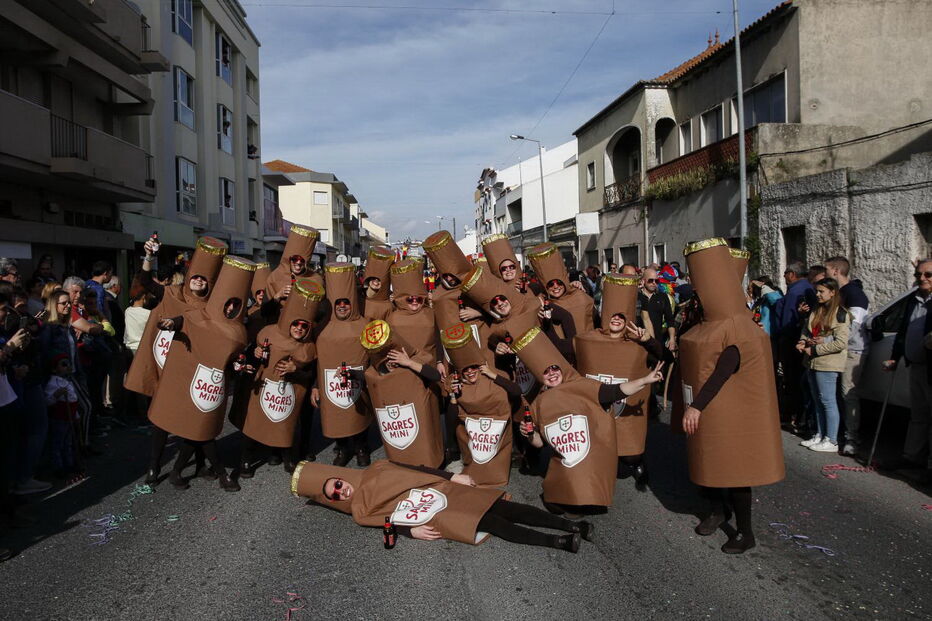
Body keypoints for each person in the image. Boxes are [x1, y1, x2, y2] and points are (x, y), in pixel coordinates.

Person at [676, 239, 785, 554]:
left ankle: (745, 532)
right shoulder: (709, 323)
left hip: (729, 411)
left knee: (736, 472)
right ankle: (716, 509)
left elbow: (724, 369)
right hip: (710, 409)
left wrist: (695, 407)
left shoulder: (738, 327)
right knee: (708, 461)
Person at [514, 325, 664, 515]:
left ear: (562, 368)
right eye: (545, 372)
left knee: (584, 499)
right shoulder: (538, 403)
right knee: (552, 502)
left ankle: (589, 496)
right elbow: (539, 443)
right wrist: (529, 434)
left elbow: (617, 391)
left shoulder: (584, 385)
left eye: (554, 368)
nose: (551, 374)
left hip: (592, 455)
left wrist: (644, 380)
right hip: (568, 459)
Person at [292, 460, 592, 552]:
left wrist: (453, 476)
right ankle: (561, 542)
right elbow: (388, 522)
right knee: (496, 525)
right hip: (434, 513)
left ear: (340, 477)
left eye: (338, 483)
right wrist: (412, 531)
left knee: (507, 508)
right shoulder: (360, 512)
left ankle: (573, 525)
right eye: (334, 494)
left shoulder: (378, 467)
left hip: (441, 490)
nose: (342, 491)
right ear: (331, 500)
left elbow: (417, 470)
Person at [146, 256, 256, 491]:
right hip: (179, 372)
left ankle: (187, 470)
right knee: (164, 420)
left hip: (204, 379)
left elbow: (233, 357)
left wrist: (238, 366)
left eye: (234, 305)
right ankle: (156, 466)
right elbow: (180, 320)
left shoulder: (235, 329)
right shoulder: (180, 299)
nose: (230, 308)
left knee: (199, 426)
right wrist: (167, 324)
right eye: (195, 277)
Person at [574, 274, 663, 489]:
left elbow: (662, 357)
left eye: (621, 318)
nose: (616, 320)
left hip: (625, 406)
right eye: (612, 317)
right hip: (597, 404)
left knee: (628, 455)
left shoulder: (636, 344)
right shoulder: (590, 339)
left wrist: (648, 340)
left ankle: (638, 465)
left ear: (627, 321)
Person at [231, 277, 321, 481]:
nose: (299, 328)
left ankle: (287, 456)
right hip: (263, 387)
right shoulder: (268, 333)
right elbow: (252, 357)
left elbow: (310, 375)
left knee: (286, 423)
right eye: (295, 324)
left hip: (288, 393)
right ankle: (246, 459)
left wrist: (295, 369)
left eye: (304, 326)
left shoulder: (309, 348)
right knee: (255, 421)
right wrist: (253, 354)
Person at [442, 324, 521, 487]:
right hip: (474, 437)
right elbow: (451, 421)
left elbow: (516, 391)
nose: (470, 371)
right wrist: (453, 397)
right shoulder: (456, 384)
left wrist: (492, 375)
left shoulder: (495, 376)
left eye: (474, 367)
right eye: (466, 369)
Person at [311, 263, 374, 467]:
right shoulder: (321, 328)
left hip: (358, 382)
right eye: (338, 303)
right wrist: (314, 386)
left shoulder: (364, 325)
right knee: (336, 414)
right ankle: (343, 449)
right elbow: (315, 360)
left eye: (346, 303)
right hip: (332, 384)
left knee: (359, 413)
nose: (342, 306)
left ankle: (362, 448)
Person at [359, 319, 444, 468]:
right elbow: (366, 376)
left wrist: (408, 363)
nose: (392, 363)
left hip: (422, 435)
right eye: (387, 361)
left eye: (394, 359)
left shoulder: (415, 362)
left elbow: (435, 376)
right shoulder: (377, 373)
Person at [883, 259, 932, 483]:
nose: (922, 278)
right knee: (918, 415)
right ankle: (912, 458)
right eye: (918, 274)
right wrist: (895, 356)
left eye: (928, 275)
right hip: (917, 365)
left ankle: (929, 466)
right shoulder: (914, 300)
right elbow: (904, 331)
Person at [796, 278, 849, 453]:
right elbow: (807, 330)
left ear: (832, 292)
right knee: (817, 400)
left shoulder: (840, 313)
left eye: (821, 291)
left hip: (828, 362)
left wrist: (817, 350)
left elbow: (841, 342)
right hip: (812, 361)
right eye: (817, 291)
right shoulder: (817, 310)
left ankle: (831, 439)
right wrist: (802, 342)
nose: (817, 294)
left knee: (828, 401)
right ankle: (820, 434)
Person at [824, 256, 870, 457]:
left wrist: (829, 341)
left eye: (827, 270)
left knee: (848, 393)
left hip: (852, 350)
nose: (826, 274)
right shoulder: (841, 293)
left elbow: (852, 327)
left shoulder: (855, 295)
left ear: (835, 271)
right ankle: (841, 432)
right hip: (839, 349)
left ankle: (852, 438)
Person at [774, 261, 817, 433]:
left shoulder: (795, 291)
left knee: (793, 381)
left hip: (792, 341)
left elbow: (787, 320)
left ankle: (796, 417)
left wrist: (782, 337)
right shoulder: (806, 288)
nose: (784, 277)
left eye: (785, 273)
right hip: (799, 341)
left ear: (792, 274)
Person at [528, 243, 595, 335]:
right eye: (550, 284)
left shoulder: (580, 295)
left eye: (559, 282)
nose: (555, 286)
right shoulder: (540, 303)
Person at [45, 354, 82, 481]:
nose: (67, 367)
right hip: (59, 418)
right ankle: (58, 467)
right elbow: (48, 402)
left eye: (68, 364)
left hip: (69, 416)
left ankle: (70, 464)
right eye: (63, 364)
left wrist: (76, 415)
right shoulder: (52, 383)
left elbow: (74, 400)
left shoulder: (68, 382)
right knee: (58, 443)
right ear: (55, 369)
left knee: (68, 442)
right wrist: (56, 395)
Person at [360, 246, 395, 321]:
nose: (376, 281)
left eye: (379, 279)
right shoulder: (357, 298)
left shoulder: (388, 306)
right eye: (373, 278)